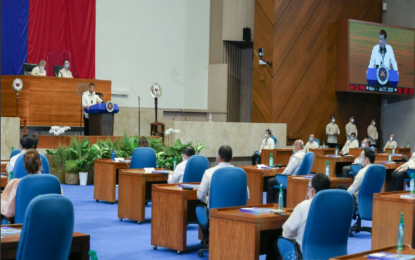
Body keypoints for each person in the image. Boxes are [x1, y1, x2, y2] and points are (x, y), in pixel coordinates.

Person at [266, 174, 331, 259]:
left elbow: (287, 233)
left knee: (275, 241)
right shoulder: (338, 207)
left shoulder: (303, 206)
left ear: (312, 191)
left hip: (306, 254)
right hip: (334, 254)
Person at [1, 149, 62, 218]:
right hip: (49, 225)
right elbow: (60, 207)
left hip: (23, 227)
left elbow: (8, 212)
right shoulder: (54, 183)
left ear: (25, 165)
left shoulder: (17, 184)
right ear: (41, 162)